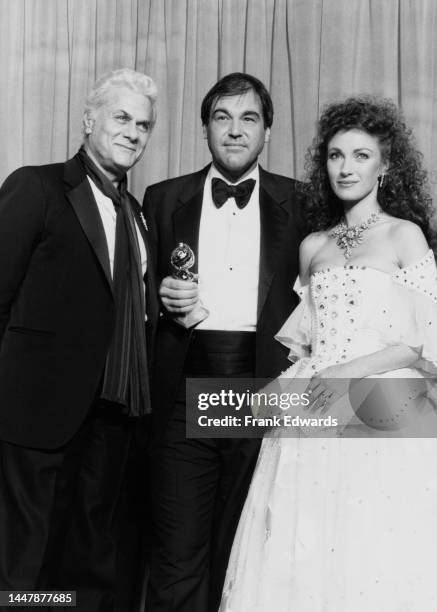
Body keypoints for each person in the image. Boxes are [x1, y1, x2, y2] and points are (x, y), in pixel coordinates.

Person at [220, 96, 437, 611]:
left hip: (383, 399)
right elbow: (310, 341)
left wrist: (350, 370)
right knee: (302, 531)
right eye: (336, 155)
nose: (346, 167)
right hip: (313, 401)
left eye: (361, 156)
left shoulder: (405, 236)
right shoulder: (313, 245)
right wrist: (284, 387)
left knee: (373, 534)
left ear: (385, 166)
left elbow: (421, 340)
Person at [0, 68, 159, 611]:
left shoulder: (138, 217)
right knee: (25, 560)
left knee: (88, 557)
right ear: (89, 118)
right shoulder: (37, 186)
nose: (133, 132)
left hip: (114, 415)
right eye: (122, 117)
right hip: (35, 411)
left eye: (144, 124)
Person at [143, 72, 302, 611]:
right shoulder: (162, 198)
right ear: (205, 128)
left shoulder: (302, 203)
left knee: (243, 547)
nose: (235, 131)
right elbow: (131, 291)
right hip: (183, 384)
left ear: (267, 132)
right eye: (222, 118)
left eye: (249, 119)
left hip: (264, 388)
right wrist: (157, 294)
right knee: (177, 549)